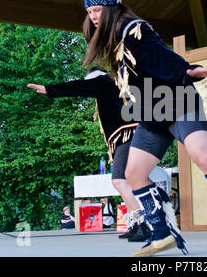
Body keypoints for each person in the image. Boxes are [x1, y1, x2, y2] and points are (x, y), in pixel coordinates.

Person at [81, 0, 207, 257]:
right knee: (133, 174)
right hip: (151, 112)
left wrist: (187, 70)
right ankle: (162, 234)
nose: (93, 16)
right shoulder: (113, 39)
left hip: (175, 100)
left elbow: (159, 55)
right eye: (89, 11)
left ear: (112, 7)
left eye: (97, 9)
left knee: (204, 156)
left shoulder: (134, 29)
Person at [27, 68, 150, 241]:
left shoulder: (103, 81)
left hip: (126, 137)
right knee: (126, 181)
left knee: (119, 180)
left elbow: (77, 87)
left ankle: (143, 223)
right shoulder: (117, 85)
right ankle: (135, 224)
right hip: (134, 135)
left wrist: (49, 89)